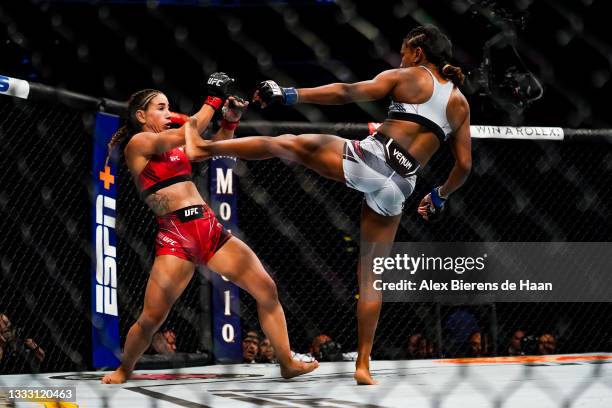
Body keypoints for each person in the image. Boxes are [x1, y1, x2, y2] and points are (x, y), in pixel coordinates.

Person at [185, 25, 471, 384]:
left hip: (374, 158)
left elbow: (346, 92)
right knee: (371, 278)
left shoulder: (409, 75)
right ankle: (363, 365)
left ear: (418, 52)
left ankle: (203, 149)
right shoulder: (460, 103)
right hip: (402, 184)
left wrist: (289, 93)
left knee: (285, 143)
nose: (400, 57)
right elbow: (464, 166)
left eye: (403, 51)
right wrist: (440, 195)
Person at [101, 73, 318, 383]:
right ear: (141, 116)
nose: (167, 113)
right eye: (161, 108)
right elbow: (185, 133)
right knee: (152, 317)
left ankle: (286, 361)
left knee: (266, 288)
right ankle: (124, 369)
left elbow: (210, 148)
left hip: (210, 229)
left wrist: (228, 121)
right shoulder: (139, 143)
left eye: (168, 108)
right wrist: (212, 99)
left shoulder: (175, 146)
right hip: (177, 235)